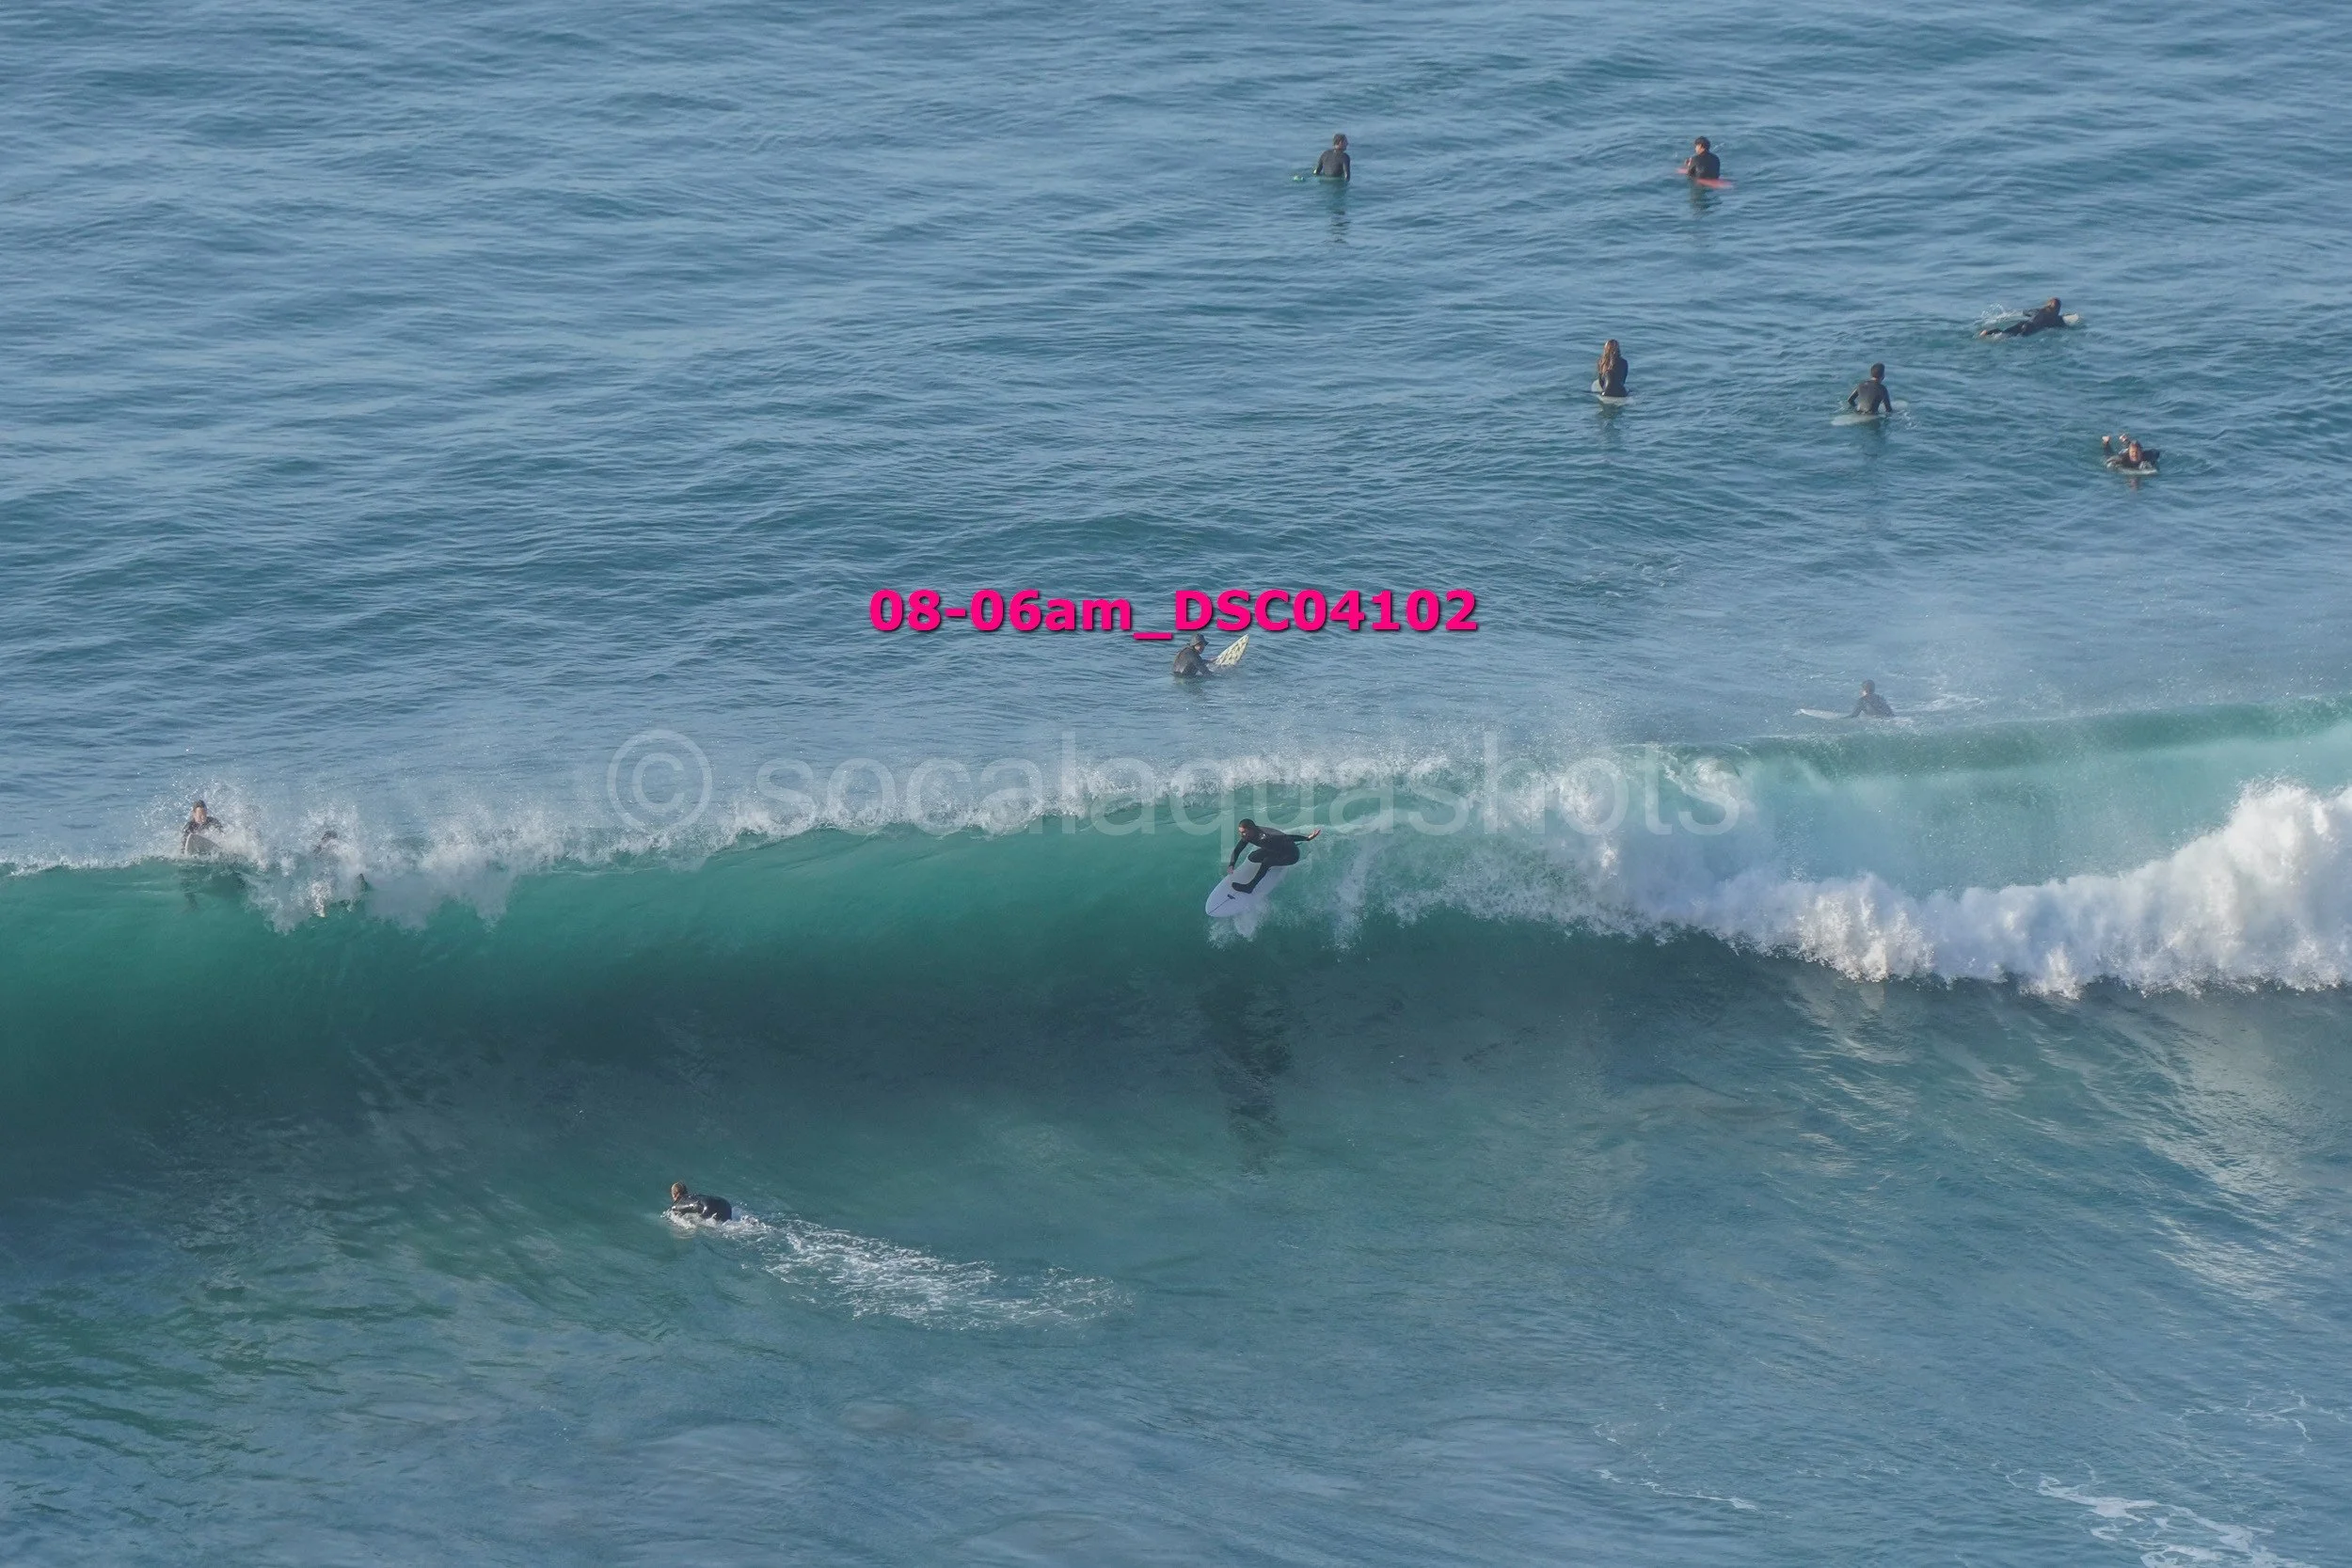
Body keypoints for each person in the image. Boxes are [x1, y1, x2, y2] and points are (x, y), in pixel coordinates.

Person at [1228, 818, 1322, 894]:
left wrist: (1307, 838)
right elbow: (1237, 850)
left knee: (1267, 861)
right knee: (1252, 857)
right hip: (1275, 850)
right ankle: (1270, 864)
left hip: (1291, 855)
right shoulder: (1247, 836)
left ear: (1252, 830)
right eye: (1240, 832)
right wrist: (1232, 864)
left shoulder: (1267, 835)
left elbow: (1289, 837)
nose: (1241, 835)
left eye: (1244, 832)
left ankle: (1250, 887)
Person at [1981, 297, 2067, 338]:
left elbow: (2025, 312)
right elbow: (2065, 328)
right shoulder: (2057, 320)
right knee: (2009, 337)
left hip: (2023, 324)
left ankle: (1987, 333)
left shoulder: (2038, 311)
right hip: (2030, 330)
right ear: (2059, 308)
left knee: (2005, 333)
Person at [669, 1182, 733, 1222]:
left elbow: (679, 1220)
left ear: (674, 1194)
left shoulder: (675, 1206)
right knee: (729, 1225)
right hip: (724, 1203)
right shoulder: (693, 1196)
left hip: (707, 1207)